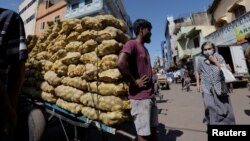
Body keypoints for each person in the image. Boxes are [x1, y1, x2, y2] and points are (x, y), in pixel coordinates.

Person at [0, 8, 45, 141]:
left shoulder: (10, 19)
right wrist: (11, 110)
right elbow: (18, 70)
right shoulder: (10, 18)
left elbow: (17, 70)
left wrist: (9, 108)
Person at [117, 19, 158, 141]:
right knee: (143, 135)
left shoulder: (144, 49)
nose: (151, 33)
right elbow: (120, 63)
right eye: (149, 30)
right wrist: (134, 82)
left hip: (150, 97)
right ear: (141, 30)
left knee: (154, 131)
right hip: (140, 99)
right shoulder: (131, 44)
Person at [195, 41, 235, 125]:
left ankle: (228, 123)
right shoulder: (200, 59)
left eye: (209, 49)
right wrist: (198, 84)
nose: (207, 51)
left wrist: (214, 61)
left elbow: (225, 70)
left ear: (213, 49)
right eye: (205, 49)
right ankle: (213, 123)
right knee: (209, 106)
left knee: (224, 106)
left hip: (219, 85)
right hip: (206, 86)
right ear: (202, 50)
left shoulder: (219, 57)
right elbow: (197, 72)